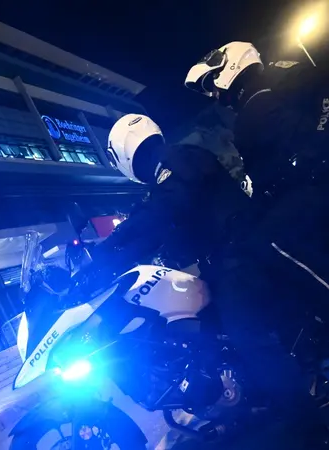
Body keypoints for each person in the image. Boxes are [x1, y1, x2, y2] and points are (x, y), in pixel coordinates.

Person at [95, 112, 325, 447]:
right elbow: (163, 230)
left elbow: (160, 213)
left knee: (247, 335)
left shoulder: (178, 161)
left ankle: (307, 426)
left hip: (245, 256)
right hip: (229, 263)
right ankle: (235, 398)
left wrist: (103, 255)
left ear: (122, 155)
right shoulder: (170, 177)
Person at [185, 41, 329, 300]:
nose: (215, 94)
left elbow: (322, 90)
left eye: (213, 82)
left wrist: (316, 147)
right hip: (303, 184)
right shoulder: (254, 103)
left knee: (269, 241)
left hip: (315, 179)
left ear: (228, 66)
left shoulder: (269, 84)